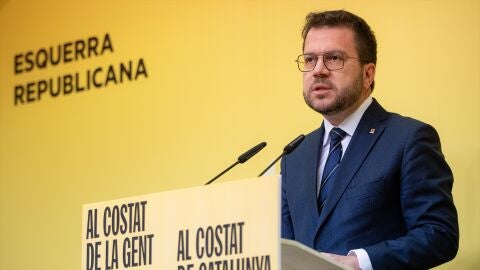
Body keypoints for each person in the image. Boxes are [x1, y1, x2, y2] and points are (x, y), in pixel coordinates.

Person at [281, 10, 458, 270]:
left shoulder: (408, 139)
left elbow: (440, 234)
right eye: (309, 59)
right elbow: (285, 247)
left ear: (368, 74)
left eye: (334, 58)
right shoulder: (294, 155)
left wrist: (358, 262)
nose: (318, 70)